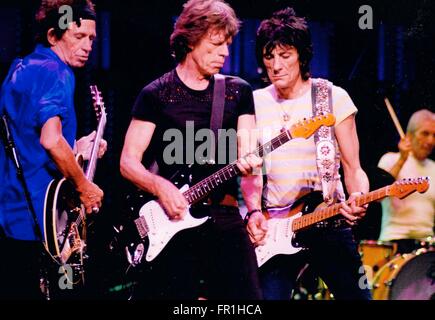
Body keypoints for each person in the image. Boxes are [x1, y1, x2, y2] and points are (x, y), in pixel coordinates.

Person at [120, 0, 263, 299]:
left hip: (224, 215)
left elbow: (249, 156)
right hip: (172, 220)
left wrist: (254, 209)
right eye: (216, 43)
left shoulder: (238, 92)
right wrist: (160, 187)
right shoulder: (155, 94)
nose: (225, 52)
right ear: (191, 39)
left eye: (227, 43)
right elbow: (128, 162)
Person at [247, 7, 371, 300]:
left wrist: (358, 198)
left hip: (326, 218)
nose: (276, 65)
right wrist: (252, 212)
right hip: (275, 229)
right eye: (269, 56)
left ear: (302, 56)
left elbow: (354, 168)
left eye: (285, 55)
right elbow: (248, 170)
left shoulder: (332, 97)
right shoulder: (252, 103)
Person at [0, 0, 106, 299]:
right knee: (66, 291)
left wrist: (78, 149)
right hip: (44, 223)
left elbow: (30, 140)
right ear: (52, 35)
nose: (87, 46)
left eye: (91, 39)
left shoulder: (20, 68)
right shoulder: (56, 72)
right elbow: (50, 140)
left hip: (11, 216)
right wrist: (84, 186)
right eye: (78, 36)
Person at [378, 109, 435, 254]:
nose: (431, 141)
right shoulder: (390, 159)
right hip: (395, 242)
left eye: (434, 135)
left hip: (426, 247)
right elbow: (377, 197)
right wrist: (402, 160)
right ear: (409, 135)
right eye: (425, 133)